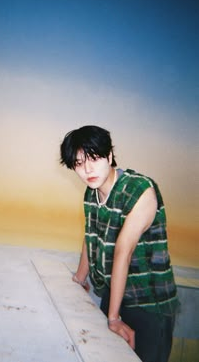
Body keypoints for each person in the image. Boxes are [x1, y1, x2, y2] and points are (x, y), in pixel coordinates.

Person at [60, 125, 179, 362]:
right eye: (79, 163)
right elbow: (91, 234)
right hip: (114, 294)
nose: (87, 169)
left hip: (148, 303)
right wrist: (79, 279)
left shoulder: (140, 189)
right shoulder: (91, 192)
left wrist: (113, 318)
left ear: (110, 156)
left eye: (94, 158)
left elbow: (123, 253)